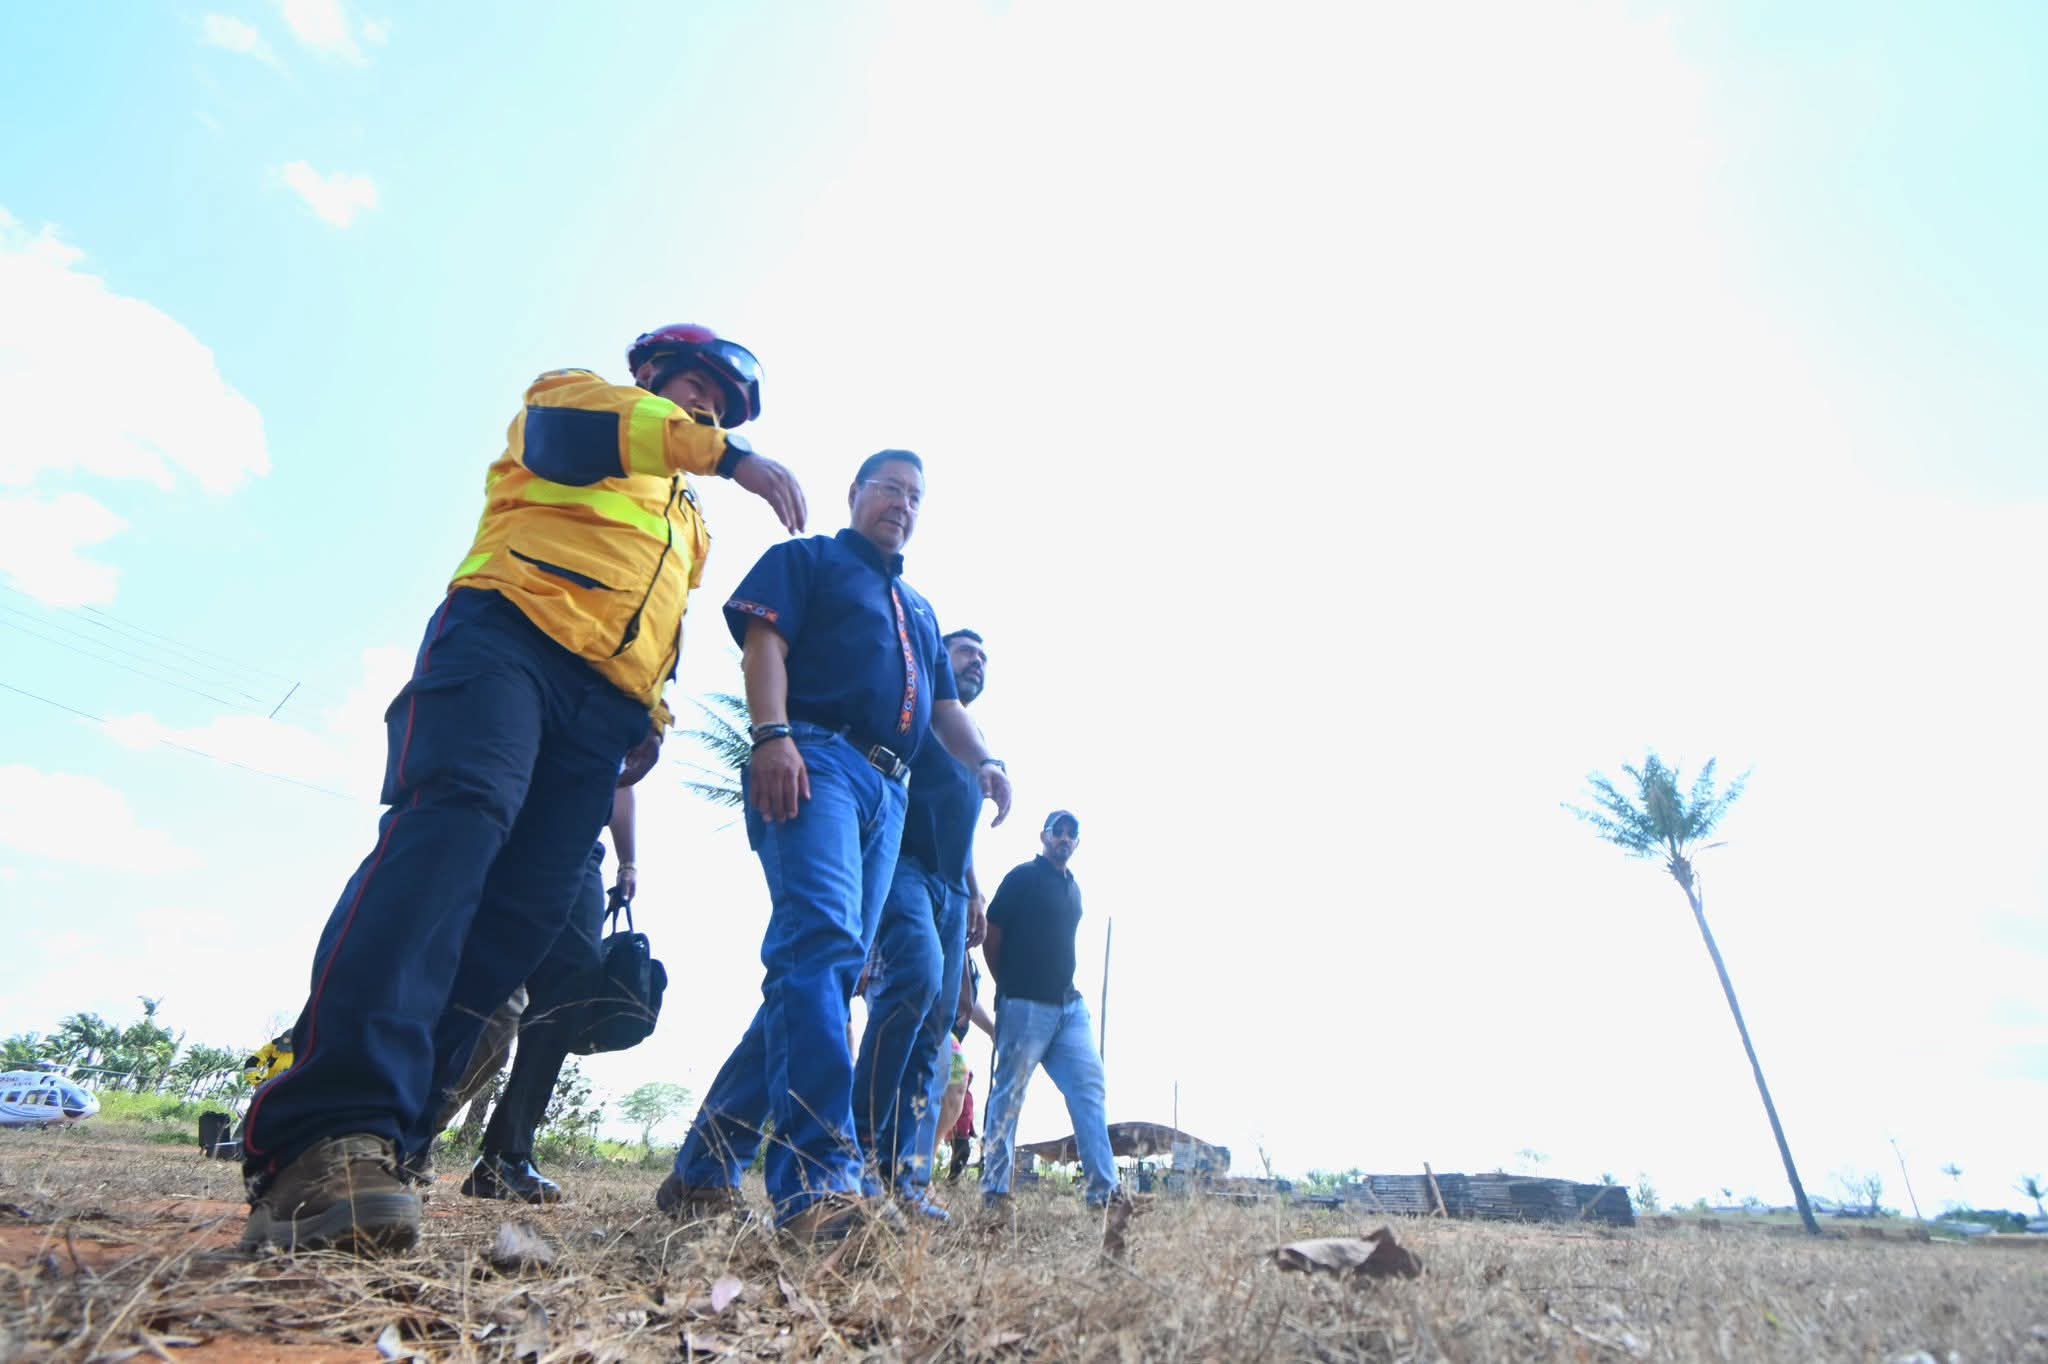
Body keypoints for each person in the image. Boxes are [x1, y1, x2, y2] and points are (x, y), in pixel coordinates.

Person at [238, 325, 805, 1255]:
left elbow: (659, 613)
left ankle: (392, 1142)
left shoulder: (689, 521)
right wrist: (734, 457)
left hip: (602, 713)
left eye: (723, 404)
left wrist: (652, 715)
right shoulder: (576, 402)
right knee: (453, 837)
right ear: (655, 380)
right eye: (695, 389)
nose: (706, 408)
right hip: (505, 641)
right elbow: (598, 429)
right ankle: (319, 1136)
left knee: (523, 919)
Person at [659, 450, 1012, 1243]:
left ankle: (704, 1168)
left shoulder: (919, 610)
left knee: (826, 967)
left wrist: (985, 760)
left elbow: (947, 713)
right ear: (855, 493)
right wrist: (772, 735)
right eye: (889, 487)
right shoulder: (805, 560)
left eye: (916, 495)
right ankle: (819, 1181)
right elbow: (765, 647)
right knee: (817, 947)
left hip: (890, 791)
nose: (902, 503)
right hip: (815, 757)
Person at [849, 627, 996, 1220]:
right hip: (901, 868)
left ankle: (906, 1179)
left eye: (985, 659)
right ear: (938, 658)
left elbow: (960, 830)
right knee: (910, 981)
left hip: (952, 888)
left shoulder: (973, 746)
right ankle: (856, 1157)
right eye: (966, 652)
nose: (977, 663)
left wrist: (976, 893)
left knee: (936, 1028)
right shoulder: (911, 717)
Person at [457, 782, 638, 1202]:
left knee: (575, 979)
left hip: (581, 848)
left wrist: (628, 862)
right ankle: (402, 1137)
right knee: (480, 993)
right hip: (510, 829)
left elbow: (621, 781)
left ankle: (506, 1155)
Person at [979, 811, 1124, 1213]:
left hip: (1069, 1008)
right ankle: (994, 1193)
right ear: (1043, 836)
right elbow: (992, 934)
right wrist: (1008, 985)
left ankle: (1105, 1193)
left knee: (1089, 1087)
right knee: (1009, 1095)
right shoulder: (1023, 877)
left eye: (1070, 834)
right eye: (1057, 831)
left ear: (1077, 843)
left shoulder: (1073, 888)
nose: (1063, 838)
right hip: (1025, 1004)